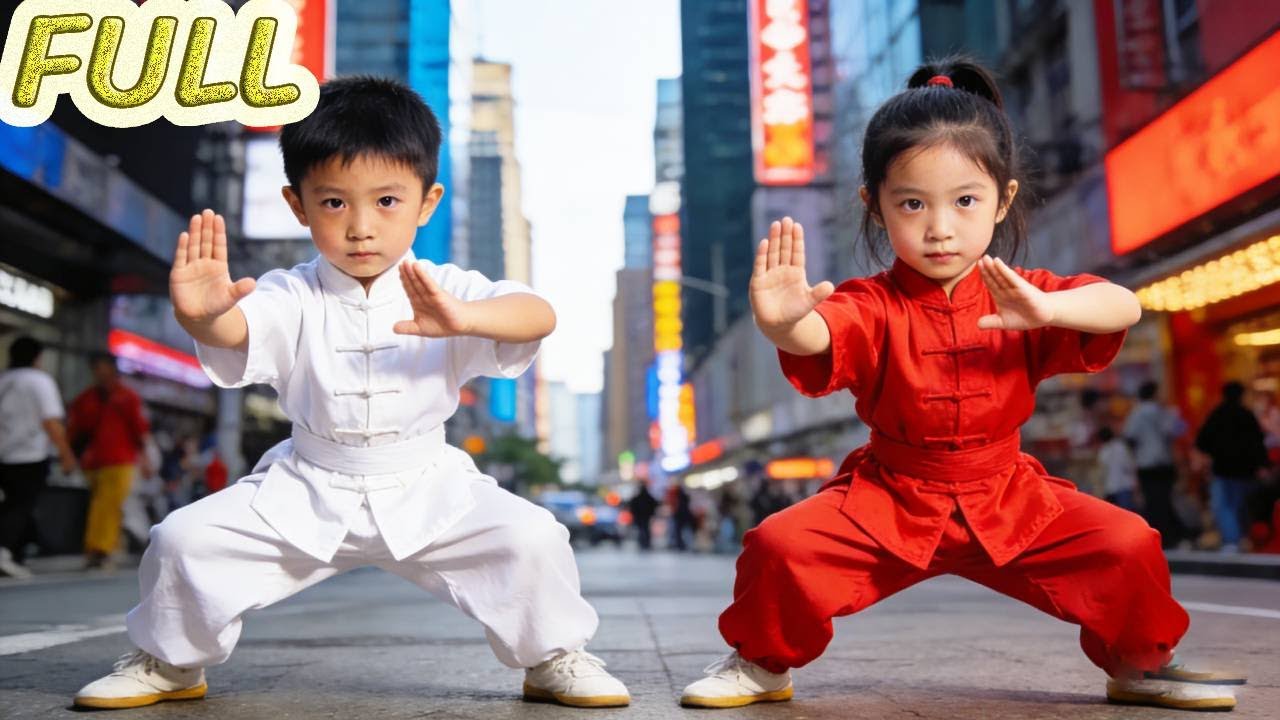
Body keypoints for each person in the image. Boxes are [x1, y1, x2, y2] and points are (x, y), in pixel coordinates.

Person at [680, 57, 1244, 712]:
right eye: (912, 203)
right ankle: (761, 663)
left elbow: (1122, 304)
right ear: (875, 205)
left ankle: (1139, 664)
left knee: (1128, 543)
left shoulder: (1026, 294)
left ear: (1002, 199)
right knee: (779, 545)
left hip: (1007, 493)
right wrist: (783, 325)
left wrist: (1049, 310)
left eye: (965, 201)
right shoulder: (872, 301)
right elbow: (824, 336)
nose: (940, 226)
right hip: (889, 495)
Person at [73, 77, 628, 710]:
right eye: (334, 203)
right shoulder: (290, 291)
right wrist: (202, 317)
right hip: (307, 482)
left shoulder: (443, 286)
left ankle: (553, 657)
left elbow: (535, 313)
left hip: (428, 481)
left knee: (532, 538)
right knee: (183, 540)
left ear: (427, 201)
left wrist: (466, 320)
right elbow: (239, 329)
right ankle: (171, 662)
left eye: (387, 200)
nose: (361, 228)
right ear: (297, 204)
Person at [67, 353, 153, 570]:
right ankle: (101, 548)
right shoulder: (86, 399)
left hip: (121, 460)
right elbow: (74, 431)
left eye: (103, 368)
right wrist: (69, 455)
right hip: (93, 461)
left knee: (109, 504)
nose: (100, 373)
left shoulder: (128, 397)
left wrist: (146, 459)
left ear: (113, 370)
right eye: (96, 369)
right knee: (99, 505)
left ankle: (100, 549)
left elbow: (139, 431)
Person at [0, 337, 76, 578]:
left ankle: (16, 554)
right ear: (37, 357)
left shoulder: (4, 380)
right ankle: (5, 551)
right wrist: (66, 454)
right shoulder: (39, 381)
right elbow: (51, 421)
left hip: (4, 454)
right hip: (30, 454)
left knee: (12, 505)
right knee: (20, 506)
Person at [1195, 381, 1269, 553]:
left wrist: (1216, 451)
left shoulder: (1217, 414)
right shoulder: (1246, 415)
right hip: (1245, 470)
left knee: (1226, 505)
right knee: (1242, 504)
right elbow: (1258, 442)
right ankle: (1243, 537)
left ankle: (1232, 540)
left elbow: (1202, 440)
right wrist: (1262, 464)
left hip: (1223, 468)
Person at [1123, 381, 1188, 547]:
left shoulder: (1136, 413)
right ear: (1154, 393)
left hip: (1146, 463)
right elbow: (1178, 430)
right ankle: (1172, 535)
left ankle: (1159, 535)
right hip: (1165, 462)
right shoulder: (1165, 412)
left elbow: (1129, 436)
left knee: (1152, 500)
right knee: (1166, 498)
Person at [1097, 427, 1138, 512]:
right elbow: (1130, 465)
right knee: (1127, 514)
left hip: (1110, 488)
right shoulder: (1122, 447)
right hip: (1125, 485)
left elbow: (1102, 472)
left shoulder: (1103, 452)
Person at [627, 482, 658, 551]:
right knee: (645, 529)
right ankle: (645, 543)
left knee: (642, 530)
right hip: (644, 516)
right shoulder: (647, 497)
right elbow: (655, 503)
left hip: (641, 516)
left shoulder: (638, 497)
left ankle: (643, 543)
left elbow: (632, 506)